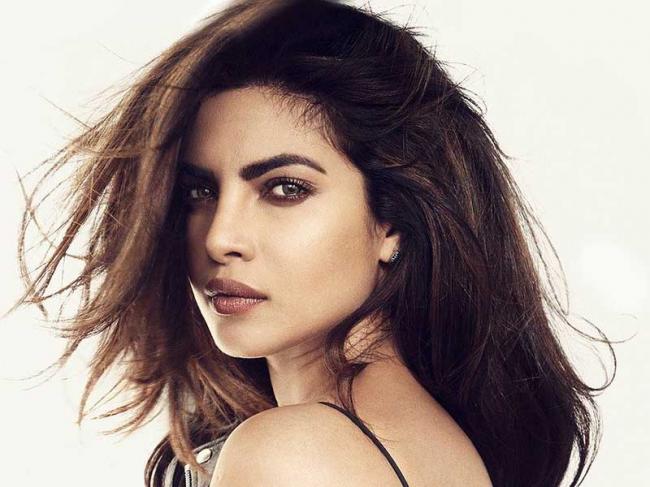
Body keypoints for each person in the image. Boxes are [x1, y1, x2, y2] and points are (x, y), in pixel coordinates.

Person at [6, 0, 617, 486]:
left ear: (393, 222)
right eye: (198, 192)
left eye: (285, 189)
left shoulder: (292, 455)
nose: (220, 237)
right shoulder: (435, 444)